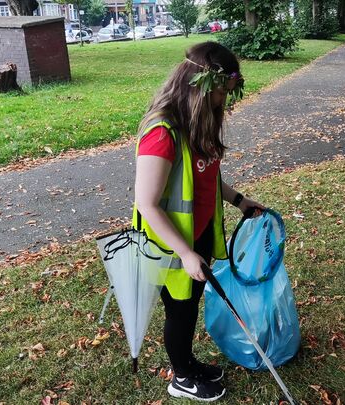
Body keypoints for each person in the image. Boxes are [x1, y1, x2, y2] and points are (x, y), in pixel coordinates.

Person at [133, 41, 265, 401]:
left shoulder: (197, 124)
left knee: (190, 304)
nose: (225, 100)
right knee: (179, 309)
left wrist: (240, 201)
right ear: (202, 86)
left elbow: (206, 176)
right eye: (223, 91)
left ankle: (188, 362)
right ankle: (180, 377)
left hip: (199, 233)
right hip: (171, 244)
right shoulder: (162, 133)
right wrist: (187, 254)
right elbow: (147, 204)